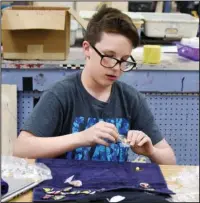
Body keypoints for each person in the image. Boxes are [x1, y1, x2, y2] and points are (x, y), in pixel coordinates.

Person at [13, 5, 176, 165]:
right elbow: (21, 149)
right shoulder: (62, 94)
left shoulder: (131, 99)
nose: (116, 68)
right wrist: (81, 138)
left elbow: (170, 159)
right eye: (109, 56)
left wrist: (151, 152)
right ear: (87, 49)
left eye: (124, 60)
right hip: (68, 188)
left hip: (116, 189)